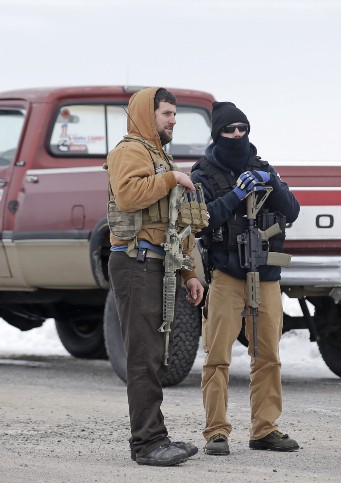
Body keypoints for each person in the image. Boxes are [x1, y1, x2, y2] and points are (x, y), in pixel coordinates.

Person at [190, 101, 301, 456]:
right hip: (226, 275)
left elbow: (292, 211)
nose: (237, 136)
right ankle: (216, 433)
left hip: (266, 275)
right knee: (217, 356)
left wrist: (273, 184)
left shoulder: (262, 167)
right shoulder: (202, 174)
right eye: (229, 130)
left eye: (242, 128)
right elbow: (202, 220)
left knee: (268, 355)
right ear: (217, 134)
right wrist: (235, 194)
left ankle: (265, 429)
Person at [105, 87, 205, 467]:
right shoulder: (130, 151)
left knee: (155, 354)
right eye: (166, 113)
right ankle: (146, 443)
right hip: (135, 263)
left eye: (175, 114)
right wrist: (172, 179)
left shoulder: (157, 155)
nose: (173, 120)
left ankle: (155, 436)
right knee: (143, 356)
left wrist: (190, 273)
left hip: (157, 264)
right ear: (148, 115)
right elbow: (129, 196)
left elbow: (176, 223)